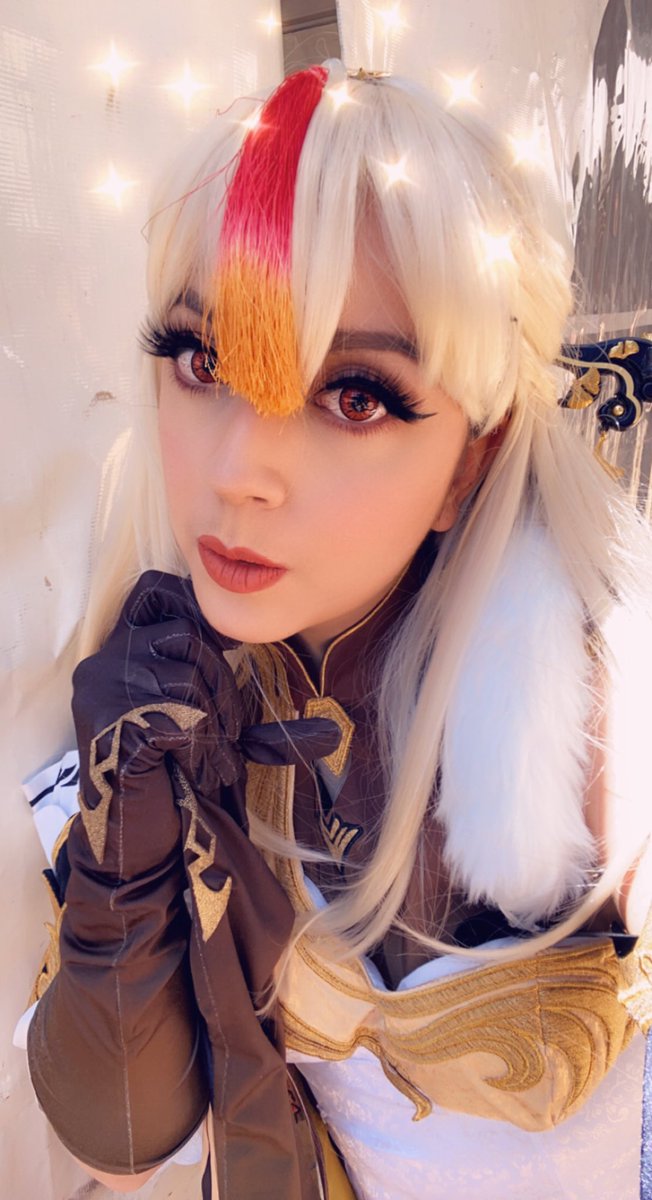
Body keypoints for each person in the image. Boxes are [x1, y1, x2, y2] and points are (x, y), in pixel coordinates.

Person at [24, 60, 652, 1199]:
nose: (238, 471)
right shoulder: (164, 677)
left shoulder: (609, 696)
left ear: (471, 458)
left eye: (354, 395)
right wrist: (121, 875)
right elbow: (123, 1139)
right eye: (202, 360)